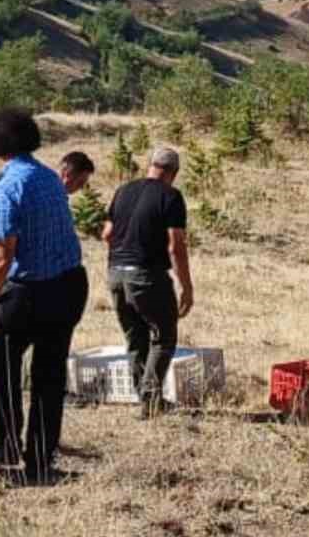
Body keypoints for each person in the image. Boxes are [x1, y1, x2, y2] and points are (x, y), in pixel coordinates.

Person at [0, 109, 88, 482]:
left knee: (4, 366)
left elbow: (0, 261)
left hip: (29, 294)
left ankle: (7, 445)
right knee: (49, 374)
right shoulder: (50, 177)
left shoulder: (7, 189)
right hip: (69, 286)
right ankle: (41, 458)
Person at [101, 147, 193, 419]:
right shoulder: (171, 196)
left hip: (116, 273)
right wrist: (186, 285)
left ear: (151, 165)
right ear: (173, 173)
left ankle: (145, 397)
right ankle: (151, 401)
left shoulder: (123, 190)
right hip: (147, 275)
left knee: (135, 338)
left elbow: (107, 234)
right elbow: (175, 244)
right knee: (164, 337)